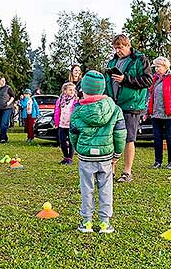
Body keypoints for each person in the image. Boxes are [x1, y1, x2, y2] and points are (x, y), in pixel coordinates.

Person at [70, 70, 127, 233]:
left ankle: (87, 222)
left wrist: (77, 149)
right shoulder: (115, 109)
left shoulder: (77, 110)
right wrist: (117, 154)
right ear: (102, 89)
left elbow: (73, 134)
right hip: (106, 157)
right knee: (106, 188)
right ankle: (104, 223)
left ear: (84, 90)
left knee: (86, 188)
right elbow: (120, 134)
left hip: (86, 157)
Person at [105, 34, 153, 182]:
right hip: (113, 104)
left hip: (131, 105)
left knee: (128, 139)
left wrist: (126, 79)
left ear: (128, 45)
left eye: (120, 47)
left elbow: (148, 80)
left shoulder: (140, 59)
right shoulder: (113, 61)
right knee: (111, 137)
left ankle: (127, 172)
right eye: (115, 48)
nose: (117, 50)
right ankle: (110, 170)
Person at [146, 57, 171, 170]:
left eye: (158, 67)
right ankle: (158, 161)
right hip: (156, 115)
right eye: (155, 67)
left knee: (170, 137)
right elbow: (150, 97)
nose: (156, 69)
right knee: (157, 138)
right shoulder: (155, 80)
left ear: (165, 66)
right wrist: (147, 112)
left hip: (170, 115)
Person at [54, 82, 78, 165]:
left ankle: (70, 159)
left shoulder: (75, 101)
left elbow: (77, 112)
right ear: (64, 91)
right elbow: (57, 112)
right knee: (62, 142)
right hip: (62, 124)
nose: (72, 91)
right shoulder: (60, 100)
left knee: (71, 142)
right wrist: (56, 123)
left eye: (73, 90)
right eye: (70, 90)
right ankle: (65, 157)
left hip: (71, 125)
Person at [0, 76, 15, 143]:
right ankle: (5, 138)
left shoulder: (8, 88)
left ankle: (2, 138)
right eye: (2, 81)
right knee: (0, 124)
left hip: (7, 108)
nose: (3, 82)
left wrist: (8, 103)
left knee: (4, 123)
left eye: (4, 81)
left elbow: (13, 96)